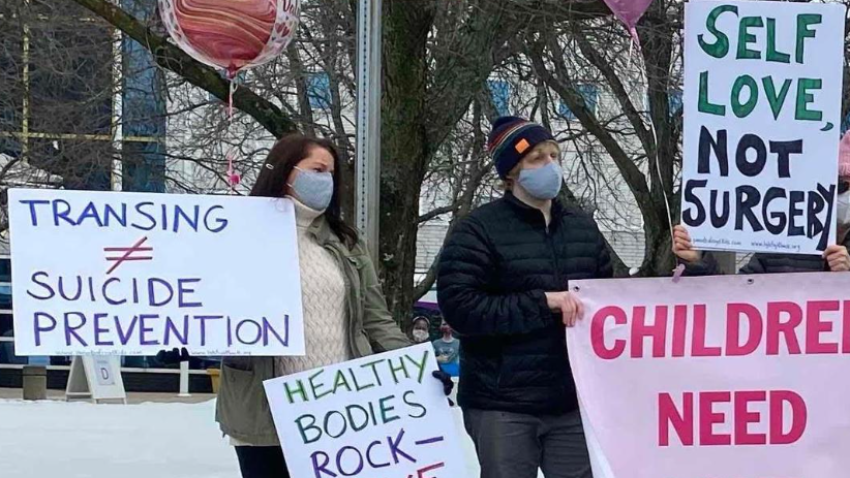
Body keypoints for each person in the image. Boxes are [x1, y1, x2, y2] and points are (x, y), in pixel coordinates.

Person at [157, 133, 453, 478]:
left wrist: (415, 368)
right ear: (286, 170)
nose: (326, 180)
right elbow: (209, 304)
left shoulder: (347, 244)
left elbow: (376, 320)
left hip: (339, 409)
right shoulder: (236, 236)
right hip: (263, 406)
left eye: (331, 173)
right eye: (317, 169)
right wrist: (180, 331)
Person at [438, 116, 612, 478]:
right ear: (511, 173)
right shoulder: (478, 230)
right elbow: (461, 308)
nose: (550, 165)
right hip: (502, 405)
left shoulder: (582, 228)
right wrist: (542, 302)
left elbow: (613, 300)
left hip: (571, 402)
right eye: (536, 159)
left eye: (554, 155)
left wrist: (688, 267)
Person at [673, 133, 850, 274]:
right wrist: (697, 263)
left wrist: (844, 280)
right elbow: (733, 301)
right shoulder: (785, 245)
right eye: (842, 184)